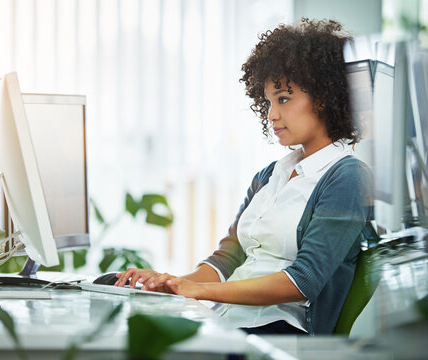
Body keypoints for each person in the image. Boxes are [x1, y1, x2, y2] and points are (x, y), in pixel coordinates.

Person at [115, 18, 373, 336]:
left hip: (280, 332)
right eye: (267, 101)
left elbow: (302, 282)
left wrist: (197, 292)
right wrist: (172, 283)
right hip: (230, 322)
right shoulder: (269, 175)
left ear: (323, 97)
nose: (271, 114)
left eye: (283, 98)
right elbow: (228, 258)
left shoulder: (347, 177)